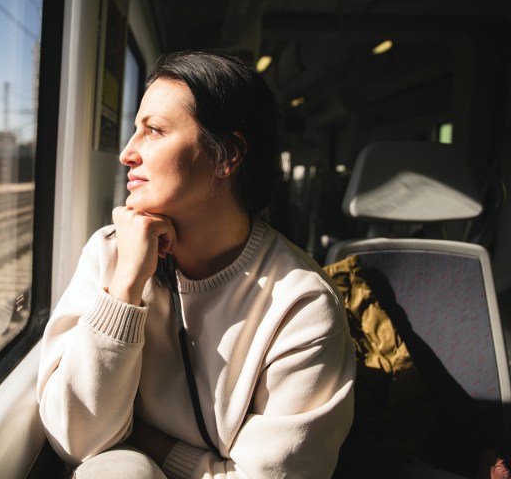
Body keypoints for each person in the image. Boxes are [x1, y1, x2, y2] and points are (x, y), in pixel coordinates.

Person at [37, 51, 355, 478]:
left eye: (154, 131)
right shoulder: (111, 253)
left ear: (227, 156)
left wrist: (151, 444)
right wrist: (127, 285)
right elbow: (76, 439)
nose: (127, 154)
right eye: (136, 130)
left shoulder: (302, 303)